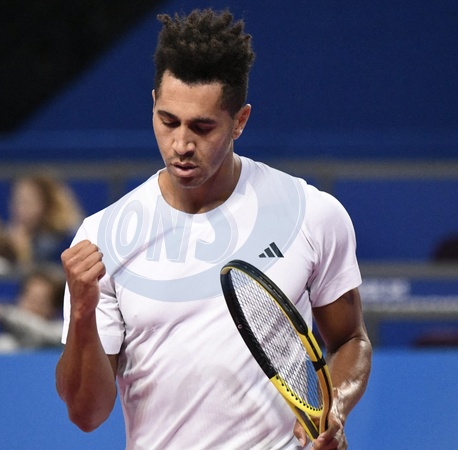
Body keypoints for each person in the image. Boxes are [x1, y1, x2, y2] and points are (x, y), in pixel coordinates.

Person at [56, 8, 372, 450]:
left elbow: (350, 340)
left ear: (239, 121)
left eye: (202, 127)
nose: (181, 144)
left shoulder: (312, 213)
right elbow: (86, 414)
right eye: (168, 121)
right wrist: (83, 312)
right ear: (153, 103)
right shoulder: (102, 236)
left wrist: (334, 407)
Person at [0, 266, 66, 354]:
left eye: (37, 301)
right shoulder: (0, 346)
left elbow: (43, 333)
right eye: (26, 297)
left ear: (54, 309)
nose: (28, 305)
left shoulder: (61, 333)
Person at [6, 172, 83, 267]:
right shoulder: (10, 240)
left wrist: (23, 254)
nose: (19, 209)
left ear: (48, 204)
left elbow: (42, 275)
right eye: (16, 202)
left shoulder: (65, 242)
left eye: (27, 202)